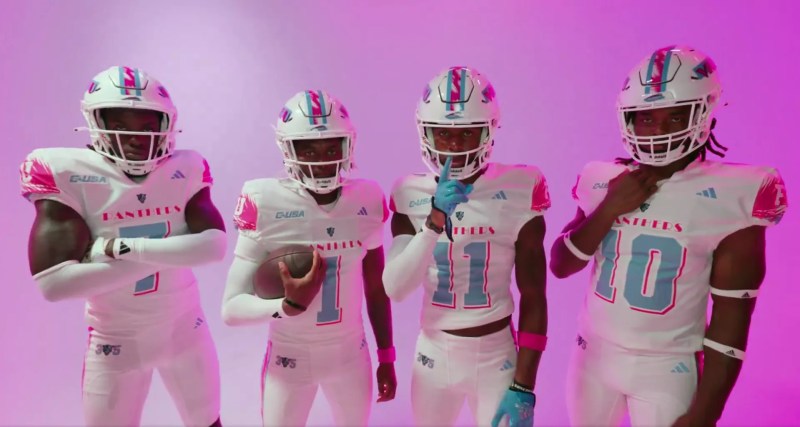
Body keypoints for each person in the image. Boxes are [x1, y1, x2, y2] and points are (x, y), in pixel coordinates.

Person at [549, 46, 789, 426]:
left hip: (666, 370)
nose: (658, 130)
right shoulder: (602, 178)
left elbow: (731, 320)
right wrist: (609, 208)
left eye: (676, 116)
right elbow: (561, 265)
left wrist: (705, 414)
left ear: (704, 114)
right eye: (646, 117)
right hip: (590, 357)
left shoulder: (733, 194)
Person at [20, 66, 227, 426]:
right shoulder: (67, 171)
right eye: (122, 125)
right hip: (114, 343)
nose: (136, 138)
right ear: (96, 124)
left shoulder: (186, 167)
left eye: (148, 126)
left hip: (186, 330)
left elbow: (213, 247)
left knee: (208, 421)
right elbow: (54, 283)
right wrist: (173, 251)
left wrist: (120, 249)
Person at [383, 67, 550, 427]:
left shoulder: (521, 185)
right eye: (443, 134)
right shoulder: (408, 192)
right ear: (425, 132)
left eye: (467, 133)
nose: (455, 146)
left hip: (497, 354)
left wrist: (524, 385)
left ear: (488, 131)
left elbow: (534, 295)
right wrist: (434, 220)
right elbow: (395, 288)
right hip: (433, 353)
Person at [222, 90, 397, 426]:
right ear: (289, 149)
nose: (321, 159)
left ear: (347, 147)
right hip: (289, 359)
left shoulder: (367, 198)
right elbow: (231, 308)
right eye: (308, 148)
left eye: (331, 147)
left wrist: (386, 354)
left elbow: (376, 288)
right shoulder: (265, 199)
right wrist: (288, 306)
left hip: (350, 357)